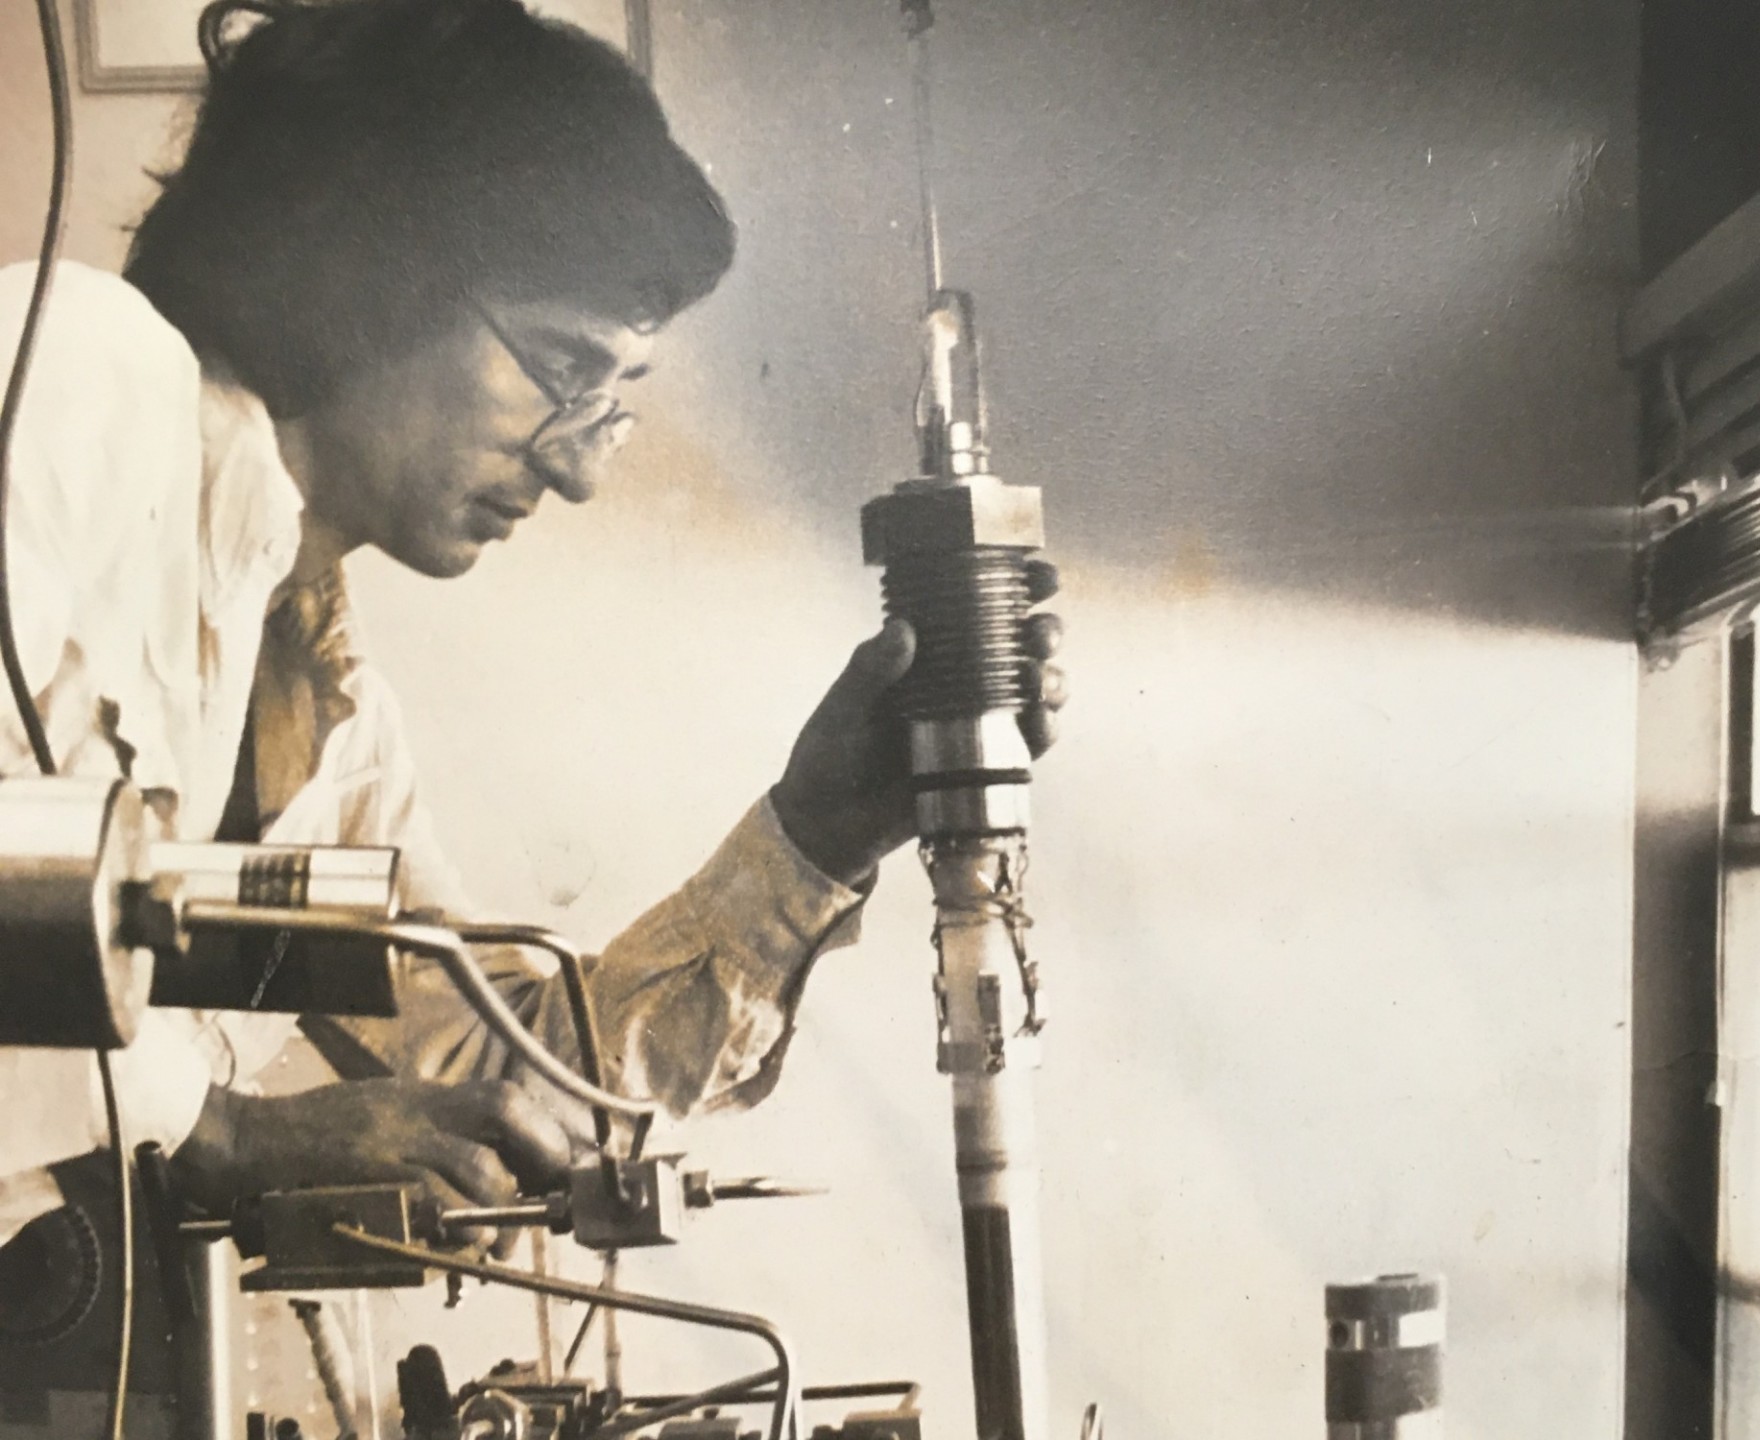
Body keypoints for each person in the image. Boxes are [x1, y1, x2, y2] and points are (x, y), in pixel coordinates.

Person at [0, 0, 1063, 1246]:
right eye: (560, 371)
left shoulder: (328, 724)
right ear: (369, 262)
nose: (578, 474)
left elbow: (513, 1080)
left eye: (609, 407)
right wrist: (224, 1135)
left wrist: (815, 837)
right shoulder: (76, 369)